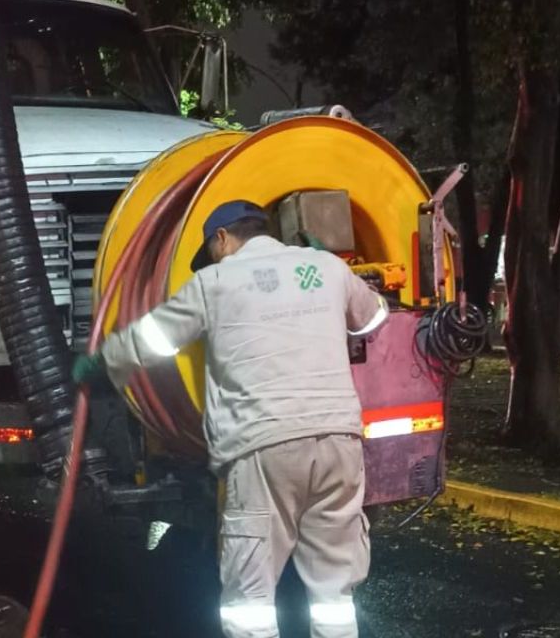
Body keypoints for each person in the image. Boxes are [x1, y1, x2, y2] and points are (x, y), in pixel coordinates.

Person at [73, 200, 388, 638]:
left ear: (222, 238)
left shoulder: (215, 282)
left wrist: (105, 365)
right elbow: (374, 318)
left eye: (211, 249)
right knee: (334, 591)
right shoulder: (325, 267)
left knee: (251, 596)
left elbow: (155, 338)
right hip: (339, 440)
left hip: (262, 446)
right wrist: (327, 275)